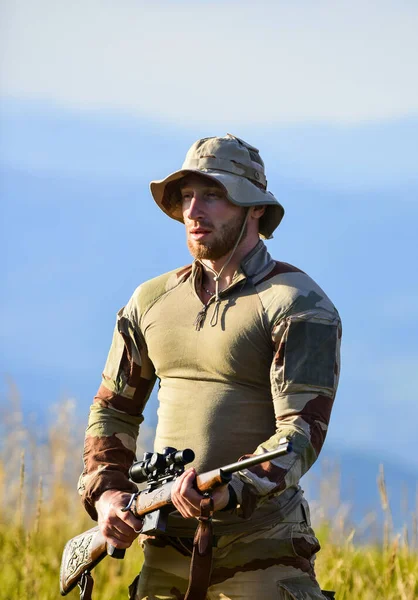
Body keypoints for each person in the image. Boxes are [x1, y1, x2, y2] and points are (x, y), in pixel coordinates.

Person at [78, 134, 341, 599]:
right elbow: (113, 410)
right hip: (162, 553)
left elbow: (300, 433)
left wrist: (231, 488)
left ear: (254, 207)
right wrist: (108, 494)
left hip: (262, 555)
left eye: (214, 195)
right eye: (187, 196)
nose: (194, 211)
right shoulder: (149, 300)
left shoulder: (298, 305)